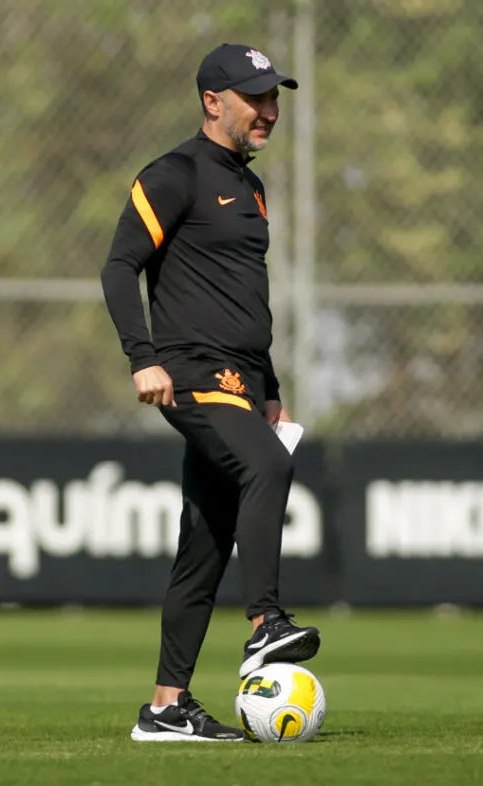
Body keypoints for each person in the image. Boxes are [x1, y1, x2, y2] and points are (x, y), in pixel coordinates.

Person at [101, 43, 320, 743]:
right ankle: (265, 625)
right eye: (255, 98)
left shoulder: (250, 187)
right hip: (192, 372)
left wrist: (271, 389)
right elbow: (118, 267)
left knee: (205, 543)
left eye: (273, 97)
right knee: (268, 466)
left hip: (243, 380)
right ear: (211, 101)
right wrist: (143, 357)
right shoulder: (174, 175)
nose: (269, 110)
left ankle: (167, 708)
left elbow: (247, 302)